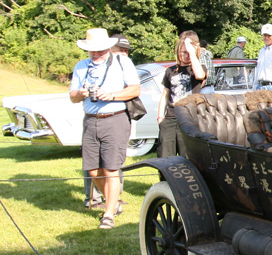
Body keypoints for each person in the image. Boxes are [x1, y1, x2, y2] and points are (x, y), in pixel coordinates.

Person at [69, 28, 141, 229]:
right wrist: (81, 93)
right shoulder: (81, 66)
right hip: (91, 120)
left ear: (108, 47)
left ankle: (108, 213)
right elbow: (72, 96)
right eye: (92, 51)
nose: (96, 54)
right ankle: (114, 201)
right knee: (93, 170)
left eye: (100, 50)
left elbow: (134, 89)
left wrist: (112, 95)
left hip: (115, 119)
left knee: (111, 169)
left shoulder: (122, 61)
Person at [157, 31, 208, 158]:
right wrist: (160, 117)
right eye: (182, 52)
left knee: (188, 156)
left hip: (188, 118)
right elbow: (165, 94)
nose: (184, 55)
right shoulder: (170, 70)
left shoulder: (199, 68)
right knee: (165, 157)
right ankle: (166, 178)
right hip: (170, 118)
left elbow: (200, 76)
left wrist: (192, 52)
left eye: (186, 52)